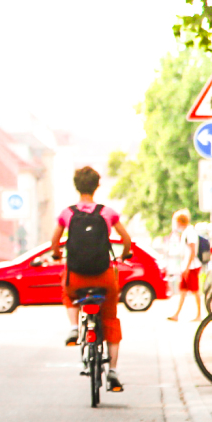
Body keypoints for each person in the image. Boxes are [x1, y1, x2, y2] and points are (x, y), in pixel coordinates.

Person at [52, 166, 132, 393]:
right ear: (97, 186)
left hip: (76, 277)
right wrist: (125, 254)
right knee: (110, 319)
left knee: (67, 293)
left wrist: (58, 254)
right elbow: (126, 239)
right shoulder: (107, 212)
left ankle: (74, 327)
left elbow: (54, 242)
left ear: (76, 186)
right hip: (104, 275)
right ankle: (114, 372)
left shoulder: (67, 213)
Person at [168, 209, 203, 322]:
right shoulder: (186, 232)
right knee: (183, 290)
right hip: (187, 266)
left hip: (191, 266)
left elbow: (192, 251)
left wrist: (187, 267)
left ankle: (198, 314)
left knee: (195, 290)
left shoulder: (189, 232)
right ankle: (177, 314)